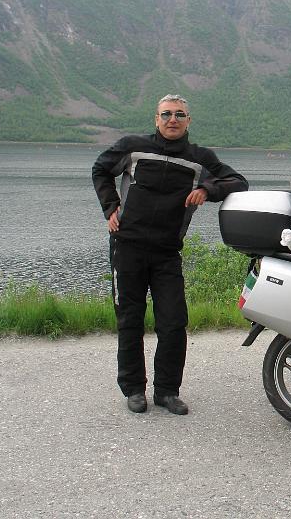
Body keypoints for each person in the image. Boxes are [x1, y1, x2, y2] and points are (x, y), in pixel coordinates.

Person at [92, 94, 248, 415]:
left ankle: (166, 391)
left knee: (174, 323)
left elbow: (238, 182)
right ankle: (134, 389)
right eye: (166, 114)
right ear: (156, 119)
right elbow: (100, 169)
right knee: (130, 320)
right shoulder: (133, 147)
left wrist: (207, 189)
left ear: (188, 121)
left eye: (179, 114)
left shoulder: (199, 159)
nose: (172, 120)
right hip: (127, 247)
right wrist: (111, 207)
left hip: (166, 252)